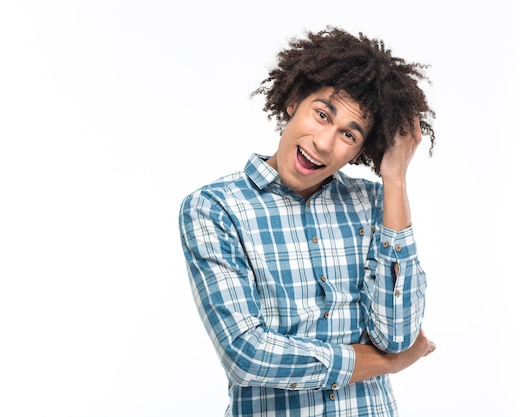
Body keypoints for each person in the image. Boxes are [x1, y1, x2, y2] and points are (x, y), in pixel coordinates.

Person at [178, 26, 436, 417]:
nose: (323, 142)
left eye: (349, 134)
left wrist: (395, 178)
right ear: (293, 101)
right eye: (321, 115)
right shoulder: (215, 209)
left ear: (362, 149)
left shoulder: (374, 205)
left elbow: (398, 336)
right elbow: (247, 355)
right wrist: (384, 364)